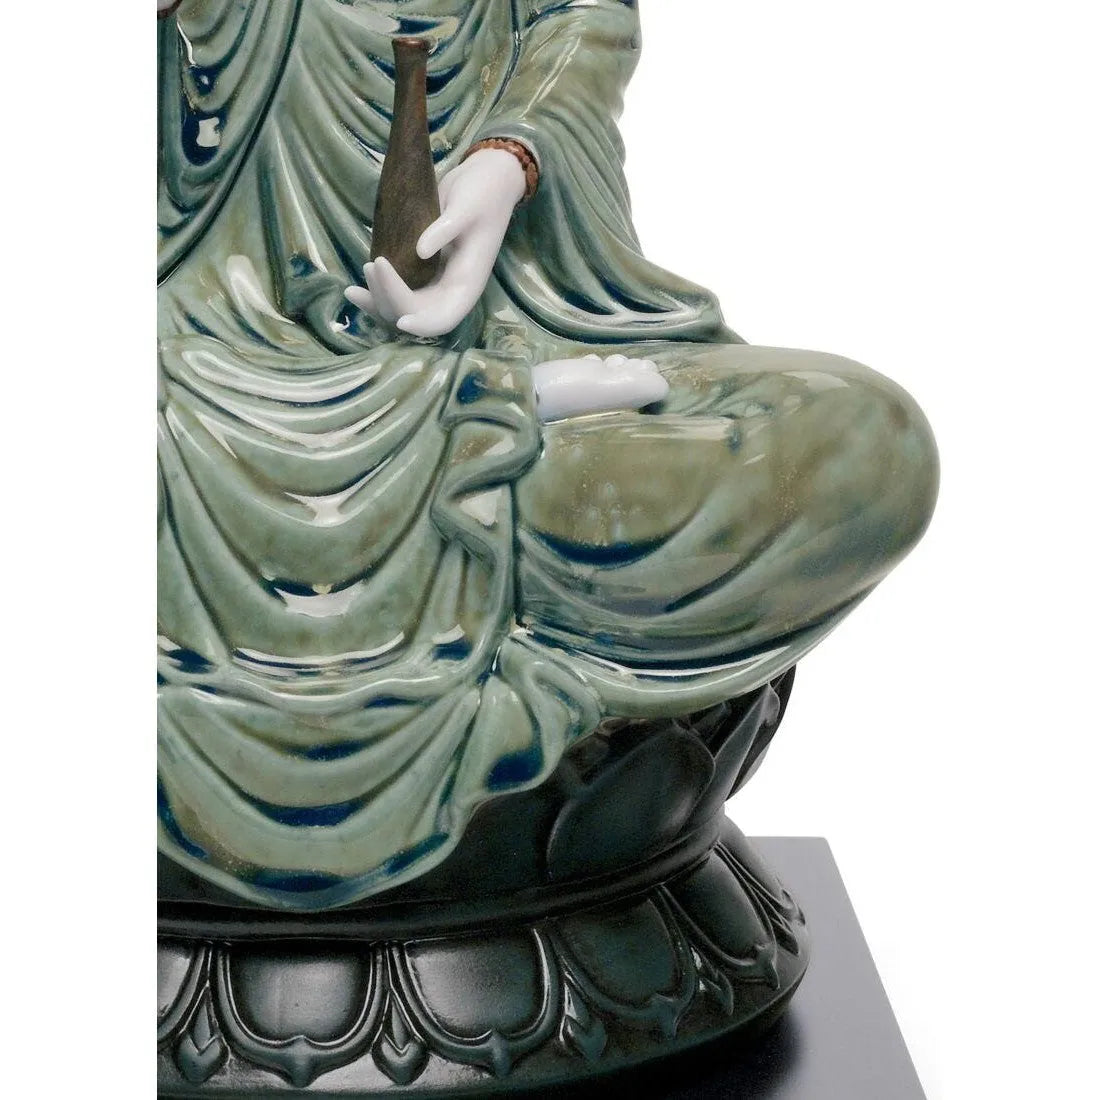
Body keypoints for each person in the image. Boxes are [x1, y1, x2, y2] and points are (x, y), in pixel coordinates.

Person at [157, 0, 938, 910]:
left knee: (862, 445)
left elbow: (581, 15)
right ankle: (474, 426)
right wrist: (486, 402)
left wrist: (508, 160)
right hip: (213, 344)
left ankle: (476, 444)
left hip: (518, 313)